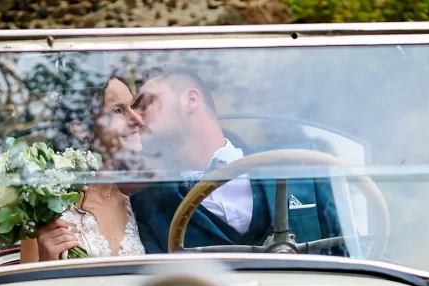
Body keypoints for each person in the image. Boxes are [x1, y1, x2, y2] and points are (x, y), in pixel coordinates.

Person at [129, 67, 348, 256]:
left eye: (146, 103)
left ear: (191, 100)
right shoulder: (147, 204)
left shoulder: (302, 165)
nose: (136, 118)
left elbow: (347, 252)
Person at [20, 76, 145, 263]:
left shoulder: (139, 205)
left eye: (133, 106)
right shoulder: (47, 208)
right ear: (81, 130)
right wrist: (47, 261)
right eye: (118, 110)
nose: (137, 119)